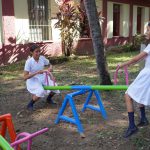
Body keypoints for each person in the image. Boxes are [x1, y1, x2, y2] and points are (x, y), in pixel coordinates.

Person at [118, 22, 150, 138]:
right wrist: (130, 64)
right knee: (139, 95)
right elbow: (142, 59)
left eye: (148, 30)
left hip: (147, 75)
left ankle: (132, 126)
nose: (145, 32)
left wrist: (123, 64)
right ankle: (143, 119)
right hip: (147, 74)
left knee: (128, 95)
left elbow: (136, 58)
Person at [24, 44, 60, 111]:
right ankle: (30, 104)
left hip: (43, 77)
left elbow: (50, 64)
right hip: (33, 79)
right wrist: (36, 72)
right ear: (31, 52)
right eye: (36, 52)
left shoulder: (42, 58)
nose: (38, 53)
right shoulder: (29, 62)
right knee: (41, 91)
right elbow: (25, 77)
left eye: (39, 51)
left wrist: (50, 68)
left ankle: (48, 99)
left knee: (55, 87)